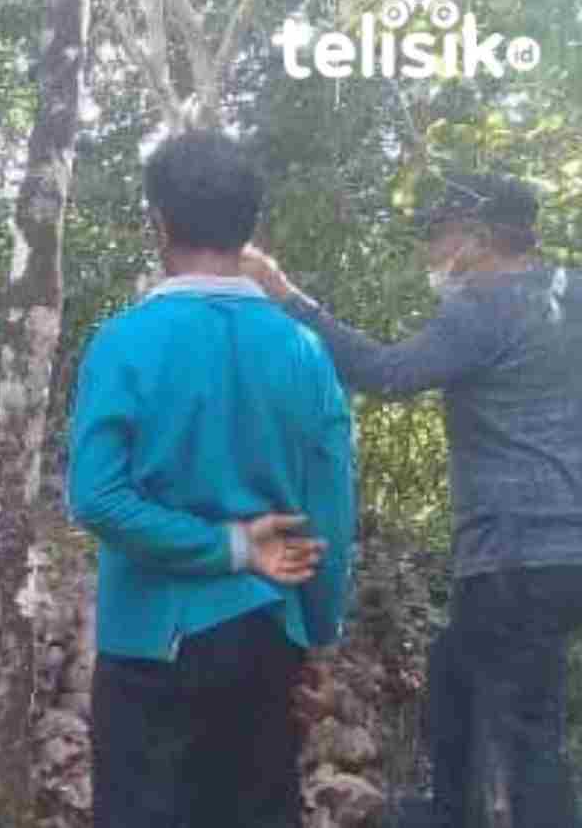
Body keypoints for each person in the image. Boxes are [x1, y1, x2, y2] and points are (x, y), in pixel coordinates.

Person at [244, 172, 582, 828]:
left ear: (479, 238)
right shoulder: (572, 293)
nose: (432, 251)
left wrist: (287, 297)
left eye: (439, 235)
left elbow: (386, 372)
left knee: (528, 731)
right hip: (567, 550)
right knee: (455, 668)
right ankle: (450, 809)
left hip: (514, 553)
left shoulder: (484, 305)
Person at [68, 130, 356, 828]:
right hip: (266, 635)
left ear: (158, 222)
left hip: (149, 645)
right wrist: (316, 632)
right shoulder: (303, 351)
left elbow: (97, 497)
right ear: (249, 227)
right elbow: (330, 511)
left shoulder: (124, 342)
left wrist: (227, 545)